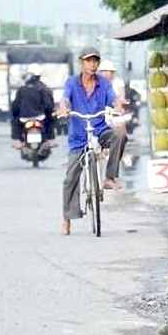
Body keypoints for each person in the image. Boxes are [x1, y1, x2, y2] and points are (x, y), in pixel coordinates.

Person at [56, 47, 127, 236]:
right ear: (81, 64)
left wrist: (118, 107)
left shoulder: (104, 83)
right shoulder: (72, 82)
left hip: (100, 130)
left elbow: (114, 99)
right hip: (78, 137)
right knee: (70, 178)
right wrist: (63, 108)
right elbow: (65, 99)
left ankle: (109, 177)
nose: (92, 65)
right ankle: (67, 219)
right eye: (88, 61)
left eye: (95, 61)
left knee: (119, 135)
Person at [10, 63, 56, 149]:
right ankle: (49, 140)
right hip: (40, 117)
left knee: (14, 121)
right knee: (51, 119)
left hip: (24, 118)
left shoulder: (22, 89)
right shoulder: (43, 88)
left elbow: (15, 106)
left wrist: (15, 114)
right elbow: (48, 105)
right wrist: (50, 112)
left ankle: (18, 141)